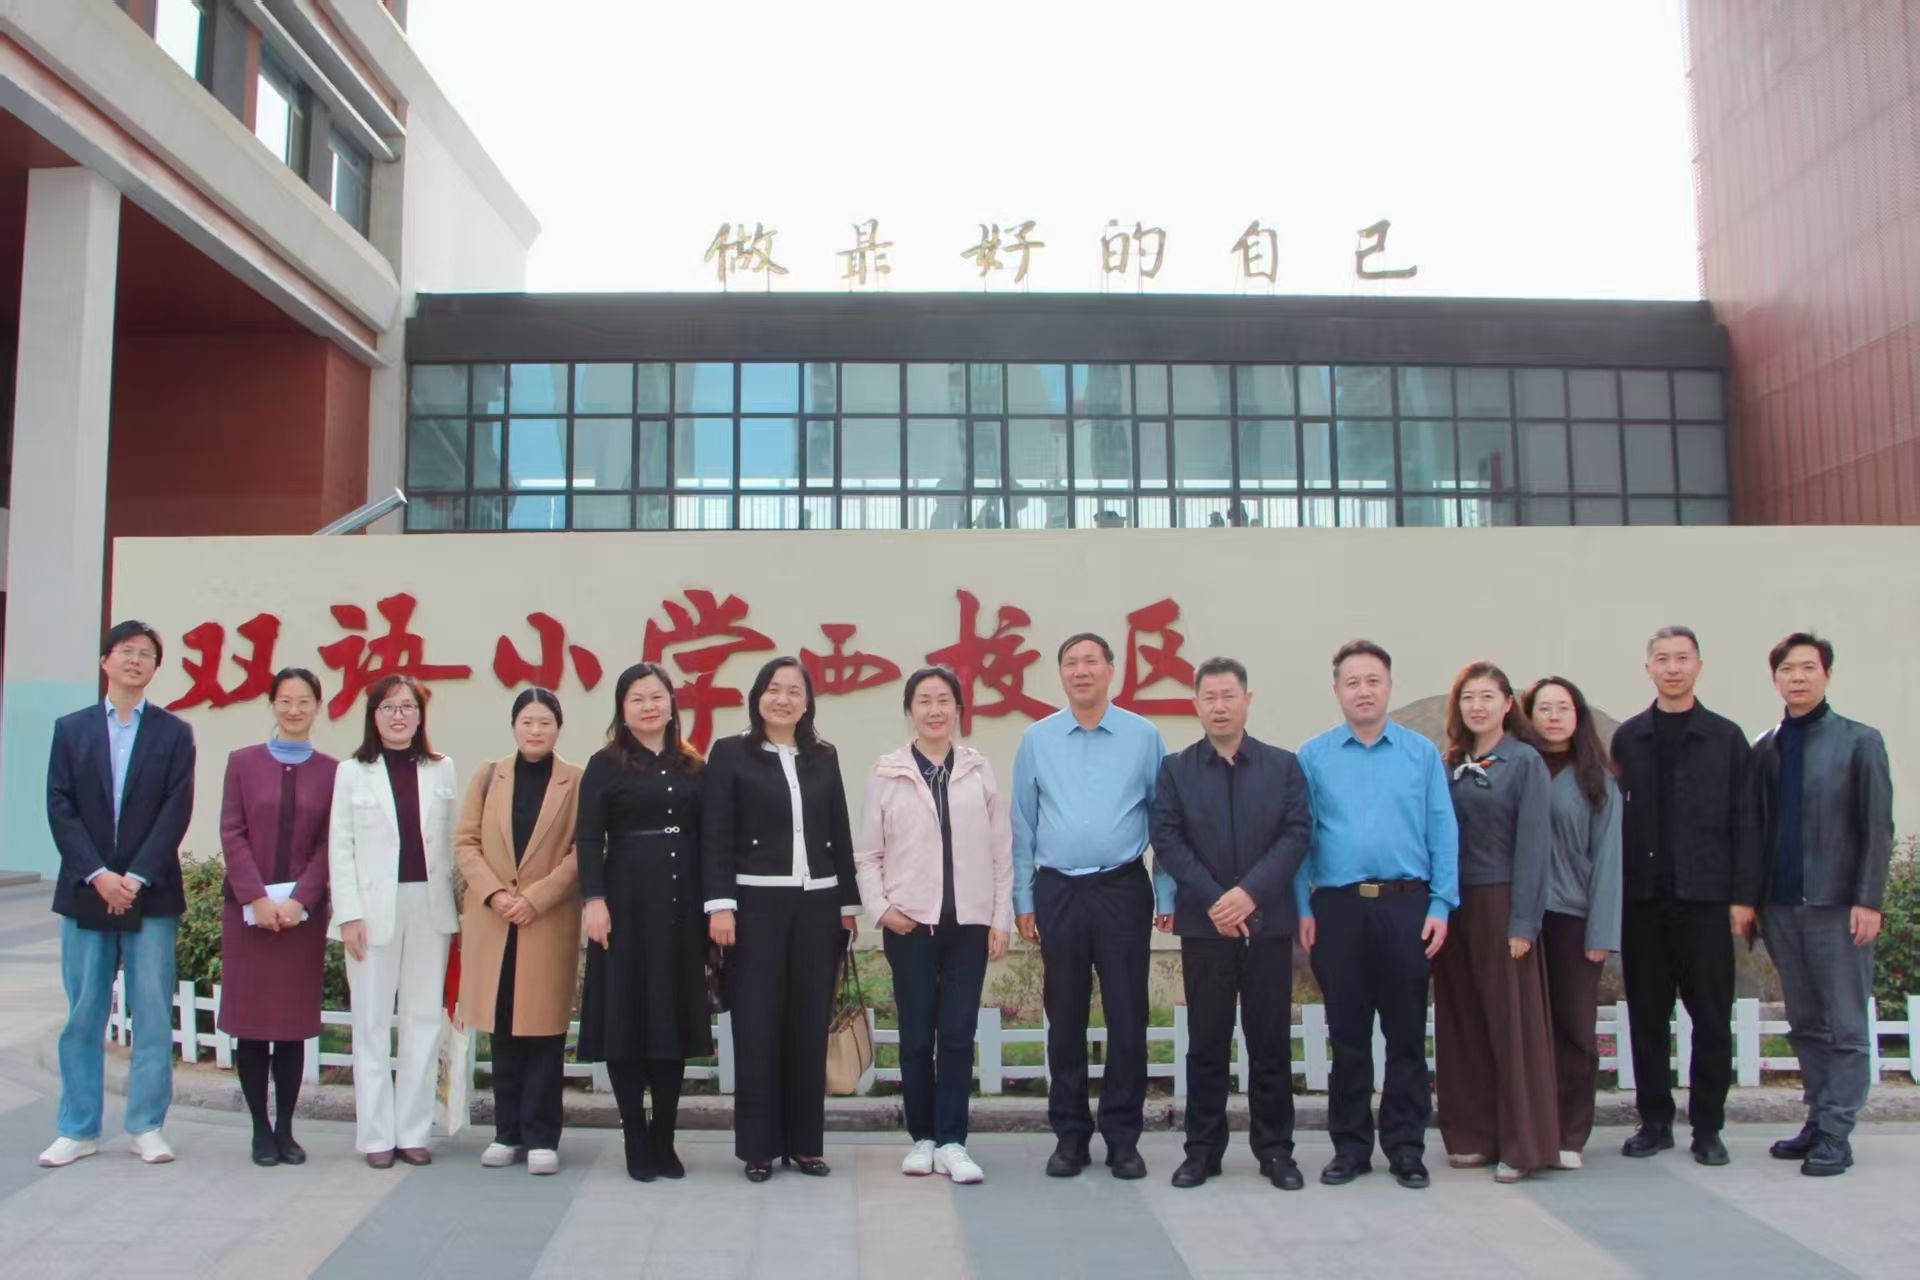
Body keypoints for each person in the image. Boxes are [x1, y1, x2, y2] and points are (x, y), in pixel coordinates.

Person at [1295, 639, 1458, 1191]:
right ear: (1336, 690)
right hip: (1337, 908)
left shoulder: (1420, 754)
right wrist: (1302, 905)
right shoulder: (1314, 756)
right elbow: (1300, 836)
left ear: (1389, 686)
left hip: (1406, 905)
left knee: (1406, 1033)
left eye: (1373, 681)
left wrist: (1441, 903)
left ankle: (1407, 1148)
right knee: (1347, 1036)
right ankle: (1350, 1148)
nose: (1363, 691)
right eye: (1352, 682)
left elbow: (1442, 830)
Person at [1149, 657, 1312, 1191]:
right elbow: (1167, 838)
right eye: (1209, 697)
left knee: (1270, 1042)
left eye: (1228, 696)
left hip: (1266, 925)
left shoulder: (1283, 766)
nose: (1219, 707)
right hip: (1206, 927)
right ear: (1196, 704)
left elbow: (1295, 834)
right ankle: (1202, 1151)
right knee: (1207, 1043)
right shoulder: (1176, 770)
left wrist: (1248, 894)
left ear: (1247, 700)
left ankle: (1276, 1151)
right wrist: (1217, 899)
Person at [39, 621, 196, 1169]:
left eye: (146, 654)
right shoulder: (72, 729)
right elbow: (59, 805)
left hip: (151, 891)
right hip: (86, 889)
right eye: (126, 651)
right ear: (106, 660)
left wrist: (136, 877)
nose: (135, 660)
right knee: (84, 1013)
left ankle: (146, 1125)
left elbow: (176, 808)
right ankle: (77, 1127)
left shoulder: (174, 734)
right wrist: (98, 874)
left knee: (152, 1012)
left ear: (155, 667)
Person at [1012, 633, 1170, 1182]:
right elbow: (1022, 822)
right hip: (1058, 890)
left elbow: (1163, 819)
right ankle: (1070, 1137)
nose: (1081, 671)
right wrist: (1023, 897)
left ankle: (1124, 1139)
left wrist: (1167, 892)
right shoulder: (1037, 739)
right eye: (1070, 663)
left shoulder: (1143, 737)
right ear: (1061, 674)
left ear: (1110, 670)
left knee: (1128, 1015)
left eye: (1090, 662)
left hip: (1122, 887)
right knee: (1065, 1018)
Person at [703, 657, 860, 1182]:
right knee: (757, 1025)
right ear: (758, 697)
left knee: (808, 1025)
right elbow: (716, 832)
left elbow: (838, 829)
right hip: (754, 906)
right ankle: (759, 1148)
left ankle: (805, 1144)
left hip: (818, 905)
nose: (783, 699)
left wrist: (848, 906)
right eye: (774, 689)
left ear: (807, 702)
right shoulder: (731, 754)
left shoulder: (823, 756)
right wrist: (719, 904)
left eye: (794, 691)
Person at [856, 666, 1012, 1186]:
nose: (934, 710)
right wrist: (881, 909)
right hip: (910, 925)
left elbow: (1001, 852)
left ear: (958, 710)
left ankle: (953, 1141)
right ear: (910, 711)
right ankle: (922, 1137)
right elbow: (868, 854)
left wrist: (999, 918)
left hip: (968, 925)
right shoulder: (888, 772)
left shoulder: (977, 770)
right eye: (923, 701)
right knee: (917, 1034)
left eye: (944, 700)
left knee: (959, 1033)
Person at [1611, 625, 1759, 1166]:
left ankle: (1708, 1127)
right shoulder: (1628, 738)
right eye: (1662, 659)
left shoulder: (1726, 738)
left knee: (1712, 1020)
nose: (1672, 668)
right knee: (1647, 1018)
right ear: (1647, 667)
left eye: (1682, 658)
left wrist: (1743, 898)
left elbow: (1747, 822)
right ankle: (1654, 1122)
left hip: (1706, 902)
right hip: (1643, 903)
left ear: (1698, 665)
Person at [1753, 633, 1893, 1177]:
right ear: (1775, 678)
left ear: (1827, 675)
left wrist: (1868, 899)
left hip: (1838, 905)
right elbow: (1755, 827)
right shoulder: (1766, 747)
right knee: (1806, 1022)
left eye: (1809, 667)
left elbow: (1876, 827)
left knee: (1845, 1024)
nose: (1798, 677)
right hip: (1781, 906)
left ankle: (1837, 1130)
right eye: (1788, 669)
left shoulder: (1860, 742)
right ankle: (1817, 1116)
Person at [576, 663, 713, 1182]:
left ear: (672, 703)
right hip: (625, 908)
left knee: (671, 1023)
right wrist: (594, 899)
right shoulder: (605, 765)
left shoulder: (693, 765)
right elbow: (589, 837)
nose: (649, 706)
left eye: (657, 696)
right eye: (637, 698)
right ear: (622, 708)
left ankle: (665, 1138)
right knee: (626, 1022)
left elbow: (711, 835)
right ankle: (635, 1135)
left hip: (682, 908)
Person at [1434, 662, 1559, 1184]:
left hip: (1502, 902)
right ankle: (1471, 1134)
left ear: (1508, 704)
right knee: (1460, 1020)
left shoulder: (1524, 762)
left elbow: (1534, 847)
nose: (1477, 706)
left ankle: (1522, 1143)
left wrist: (1524, 922)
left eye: (1488, 696)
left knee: (1512, 1024)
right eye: (1468, 697)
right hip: (1452, 904)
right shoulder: (1449, 762)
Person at [329, 673, 460, 1169]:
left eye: (407, 707)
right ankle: (377, 1136)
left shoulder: (441, 768)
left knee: (423, 1021)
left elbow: (451, 841)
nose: (398, 716)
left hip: (430, 907)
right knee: (371, 1023)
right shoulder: (352, 772)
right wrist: (349, 915)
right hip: (371, 911)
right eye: (388, 707)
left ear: (420, 715)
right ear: (374, 716)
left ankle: (413, 1132)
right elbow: (340, 847)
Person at [455, 688, 583, 1177]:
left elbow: (584, 849)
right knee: (503, 1028)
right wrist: (495, 894)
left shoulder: (575, 781)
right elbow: (465, 842)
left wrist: (537, 898)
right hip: (495, 920)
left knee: (544, 1032)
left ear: (558, 729)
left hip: (545, 920)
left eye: (545, 722)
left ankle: (542, 1135)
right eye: (527, 721)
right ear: (514, 726)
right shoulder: (489, 776)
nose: (536, 730)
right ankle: (505, 1132)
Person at [216, 668, 339, 1168]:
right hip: (248, 917)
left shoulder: (333, 771)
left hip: (300, 919)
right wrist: (256, 897)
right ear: (272, 704)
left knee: (289, 1028)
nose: (294, 710)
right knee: (251, 1026)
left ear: (317, 707)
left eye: (304, 701)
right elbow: (232, 831)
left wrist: (300, 899)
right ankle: (259, 1131)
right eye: (285, 700)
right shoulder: (242, 763)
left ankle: (286, 1129)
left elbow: (331, 842)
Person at [1522, 675, 1622, 1169]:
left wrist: (1600, 931)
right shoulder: (1516, 768)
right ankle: (1528, 1129)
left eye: (1564, 707)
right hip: (1521, 918)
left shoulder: (1596, 780)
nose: (1554, 716)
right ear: (1529, 716)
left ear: (1578, 717)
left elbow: (1608, 860)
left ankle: (1569, 1133)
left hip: (1573, 919)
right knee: (1527, 1028)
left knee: (1574, 1030)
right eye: (1544, 708)